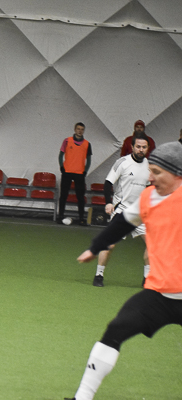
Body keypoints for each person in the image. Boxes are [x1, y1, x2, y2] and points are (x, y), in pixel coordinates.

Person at [65, 141, 182, 400]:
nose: (150, 178)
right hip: (159, 295)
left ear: (177, 174)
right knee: (116, 329)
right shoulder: (149, 197)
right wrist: (96, 246)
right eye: (150, 171)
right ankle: (82, 397)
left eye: (157, 172)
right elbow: (123, 222)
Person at [92, 134, 150, 287]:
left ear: (147, 148)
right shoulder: (123, 163)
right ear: (132, 147)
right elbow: (108, 183)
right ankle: (99, 275)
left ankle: (147, 279)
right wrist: (108, 203)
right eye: (138, 146)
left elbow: (151, 188)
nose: (141, 150)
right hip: (122, 211)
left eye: (144, 147)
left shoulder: (150, 166)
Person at [57, 123, 92, 225]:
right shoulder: (67, 141)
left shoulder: (87, 144)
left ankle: (81, 218)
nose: (80, 131)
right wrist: (62, 167)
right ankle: (60, 216)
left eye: (82, 129)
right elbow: (60, 155)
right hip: (67, 172)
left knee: (80, 197)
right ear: (75, 129)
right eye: (78, 129)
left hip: (79, 173)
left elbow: (89, 160)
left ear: (83, 131)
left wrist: (85, 171)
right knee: (63, 195)